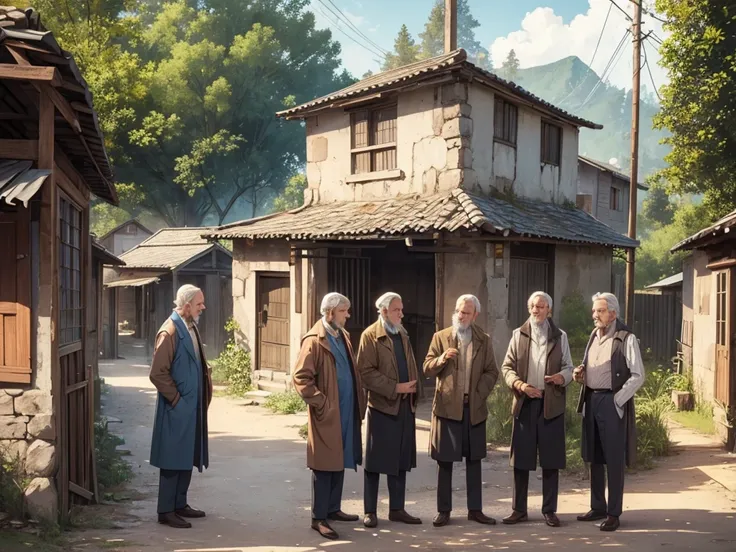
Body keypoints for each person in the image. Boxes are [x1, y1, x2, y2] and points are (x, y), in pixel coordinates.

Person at [293, 292, 367, 540]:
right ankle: (319, 517)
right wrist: (321, 403)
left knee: (340, 459)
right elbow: (301, 378)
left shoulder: (342, 335)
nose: (348, 315)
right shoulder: (314, 340)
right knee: (324, 465)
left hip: (346, 411)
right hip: (328, 412)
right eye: (344, 311)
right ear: (330, 312)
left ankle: (333, 509)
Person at [423, 294, 500, 527]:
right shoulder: (441, 337)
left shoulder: (483, 340)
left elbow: (491, 372)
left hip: (473, 408)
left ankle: (475, 510)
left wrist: (478, 394)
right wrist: (442, 358)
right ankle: (443, 510)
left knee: (474, 461)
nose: (461, 315)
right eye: (458, 311)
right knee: (444, 461)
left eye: (466, 312)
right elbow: (427, 367)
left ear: (475, 315)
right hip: (447, 408)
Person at [501, 291, 574, 528]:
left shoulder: (559, 336)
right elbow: (507, 366)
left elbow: (569, 368)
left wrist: (560, 378)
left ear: (549, 310)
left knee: (551, 461)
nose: (535, 310)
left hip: (550, 404)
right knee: (521, 460)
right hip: (525, 403)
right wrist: (520, 385)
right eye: (532, 306)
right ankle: (519, 509)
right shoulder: (518, 334)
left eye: (541, 306)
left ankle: (549, 510)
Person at [573, 292, 645, 532]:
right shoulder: (595, 334)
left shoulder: (626, 338)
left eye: (600, 311)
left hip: (611, 402)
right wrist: (579, 375)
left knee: (613, 459)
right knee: (593, 456)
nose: (595, 315)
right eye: (594, 311)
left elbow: (638, 375)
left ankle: (614, 513)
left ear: (613, 313)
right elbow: (591, 366)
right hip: (591, 399)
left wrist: (618, 400)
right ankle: (598, 507)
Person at [149, 284, 213, 529]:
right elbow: (158, 374)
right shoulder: (171, 330)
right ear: (186, 306)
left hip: (192, 406)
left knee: (187, 455)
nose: (203, 307)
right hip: (176, 407)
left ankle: (180, 503)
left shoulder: (190, 326)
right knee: (173, 457)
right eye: (199, 304)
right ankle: (166, 510)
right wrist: (176, 399)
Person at [357, 292, 422, 528]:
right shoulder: (370, 336)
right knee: (375, 462)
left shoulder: (402, 334)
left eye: (401, 309)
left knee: (400, 460)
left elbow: (411, 363)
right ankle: (370, 511)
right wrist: (395, 387)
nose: (401, 314)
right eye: (397, 310)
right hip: (382, 407)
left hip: (405, 406)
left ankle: (397, 509)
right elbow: (365, 374)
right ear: (384, 311)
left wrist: (414, 389)